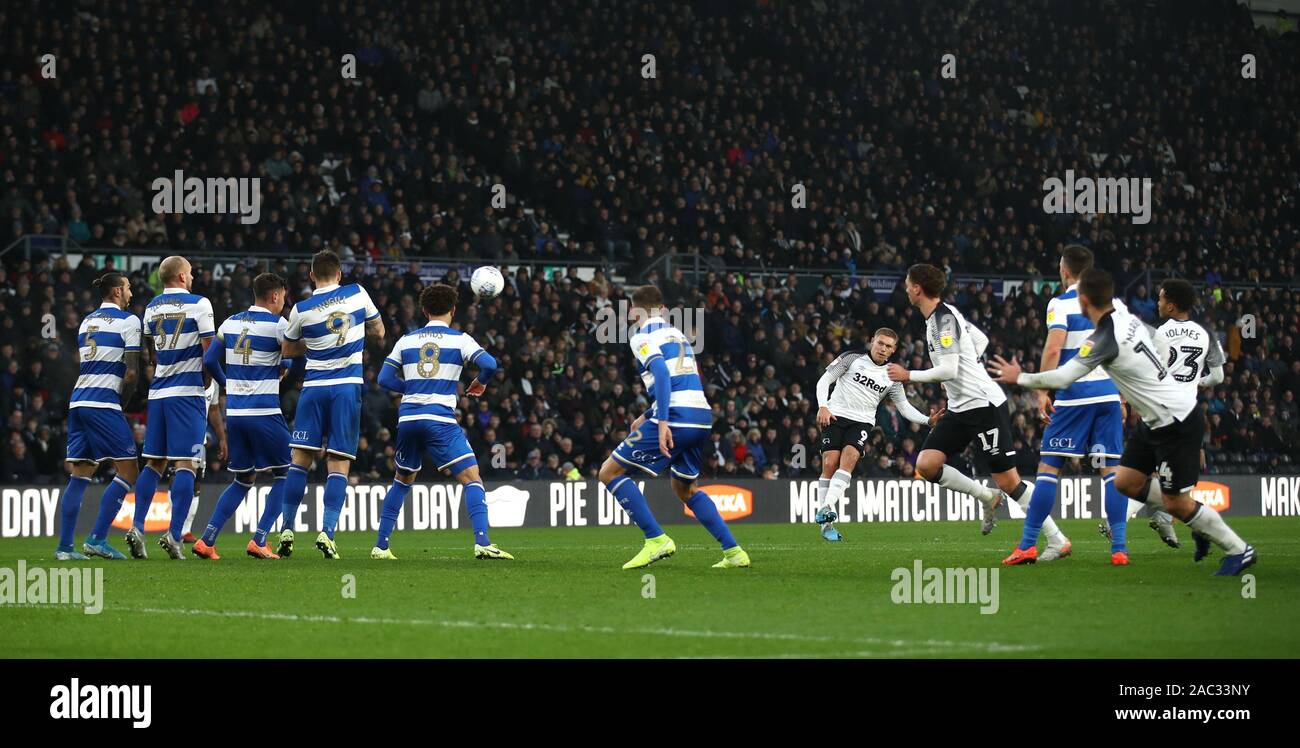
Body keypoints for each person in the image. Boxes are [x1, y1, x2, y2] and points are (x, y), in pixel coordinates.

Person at [989, 269, 1255, 575]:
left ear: (1084, 301)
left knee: (1176, 503)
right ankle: (1194, 519)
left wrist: (1020, 377)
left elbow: (1063, 378)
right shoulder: (1129, 319)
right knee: (1125, 482)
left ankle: (1238, 549)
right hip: (1154, 419)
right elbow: (1159, 346)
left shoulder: (1103, 338)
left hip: (1176, 420)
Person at [887, 264, 1063, 544]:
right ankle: (986, 496)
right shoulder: (942, 316)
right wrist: (966, 368)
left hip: (983, 405)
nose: (906, 289)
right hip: (960, 407)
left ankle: (1057, 539)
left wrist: (909, 375)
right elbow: (979, 340)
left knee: (1009, 482)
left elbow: (949, 370)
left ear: (917, 288)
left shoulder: (943, 319)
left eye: (908, 284)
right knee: (927, 464)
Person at [597, 285, 751, 570]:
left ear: (633, 312)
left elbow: (661, 374)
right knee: (686, 489)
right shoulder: (678, 335)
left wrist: (662, 421)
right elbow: (683, 379)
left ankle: (656, 539)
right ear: (664, 310)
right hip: (701, 416)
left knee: (609, 472)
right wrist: (648, 415)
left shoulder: (641, 336)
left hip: (675, 417)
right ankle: (734, 552)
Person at [372, 283, 511, 559]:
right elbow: (490, 364)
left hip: (408, 418)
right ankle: (483, 543)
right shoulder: (460, 340)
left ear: (424, 311)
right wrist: (480, 382)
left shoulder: (406, 340)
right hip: (439, 418)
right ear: (453, 310)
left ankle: (381, 546)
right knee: (472, 478)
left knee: (402, 480)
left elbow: (384, 379)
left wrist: (412, 388)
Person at [277, 250, 385, 558]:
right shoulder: (357, 293)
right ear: (339, 273)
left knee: (300, 459)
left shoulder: (301, 309)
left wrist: (315, 341)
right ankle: (327, 531)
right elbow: (379, 331)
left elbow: (288, 350)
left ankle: (287, 528)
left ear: (312, 276)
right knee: (338, 462)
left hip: (313, 389)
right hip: (346, 389)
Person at [193, 272, 301, 560]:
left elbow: (209, 359)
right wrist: (285, 366)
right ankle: (260, 539)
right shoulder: (278, 324)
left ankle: (207, 540)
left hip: (236, 413)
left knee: (243, 479)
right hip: (264, 412)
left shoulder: (230, 322)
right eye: (283, 297)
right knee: (288, 473)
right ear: (275, 295)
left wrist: (227, 384)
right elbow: (289, 357)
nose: (283, 302)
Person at [126, 256, 216, 560]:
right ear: (180, 276)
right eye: (189, 273)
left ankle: (138, 527)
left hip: (159, 393)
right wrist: (208, 379)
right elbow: (209, 351)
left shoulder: (151, 307)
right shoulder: (200, 304)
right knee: (187, 464)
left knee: (154, 462)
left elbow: (150, 353)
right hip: (187, 393)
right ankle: (175, 535)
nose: (192, 277)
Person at [813, 327, 938, 541]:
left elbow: (904, 407)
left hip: (862, 422)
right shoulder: (851, 358)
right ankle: (826, 525)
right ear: (872, 341)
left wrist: (927, 420)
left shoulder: (892, 376)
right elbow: (824, 381)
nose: (883, 348)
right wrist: (822, 406)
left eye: (888, 346)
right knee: (830, 464)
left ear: (893, 350)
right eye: (880, 343)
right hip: (835, 415)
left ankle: (826, 508)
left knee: (849, 458)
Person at [61, 272, 141, 561]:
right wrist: (121, 403)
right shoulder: (129, 321)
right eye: (128, 288)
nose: (131, 293)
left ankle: (65, 548)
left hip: (78, 401)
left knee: (80, 473)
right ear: (117, 291)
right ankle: (97, 538)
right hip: (103, 403)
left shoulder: (87, 321)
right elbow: (131, 373)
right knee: (129, 470)